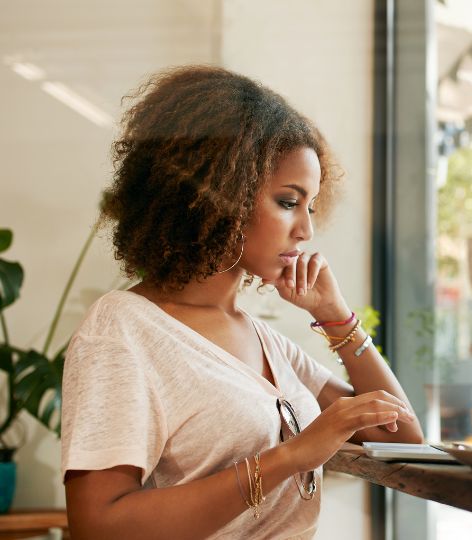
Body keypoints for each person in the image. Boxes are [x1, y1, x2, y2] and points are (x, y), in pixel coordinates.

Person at [60, 65, 423, 539]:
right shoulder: (123, 329)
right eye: (289, 201)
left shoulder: (265, 341)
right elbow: (98, 525)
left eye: (310, 206)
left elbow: (403, 438)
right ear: (219, 196)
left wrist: (336, 318)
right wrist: (292, 455)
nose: (307, 231)